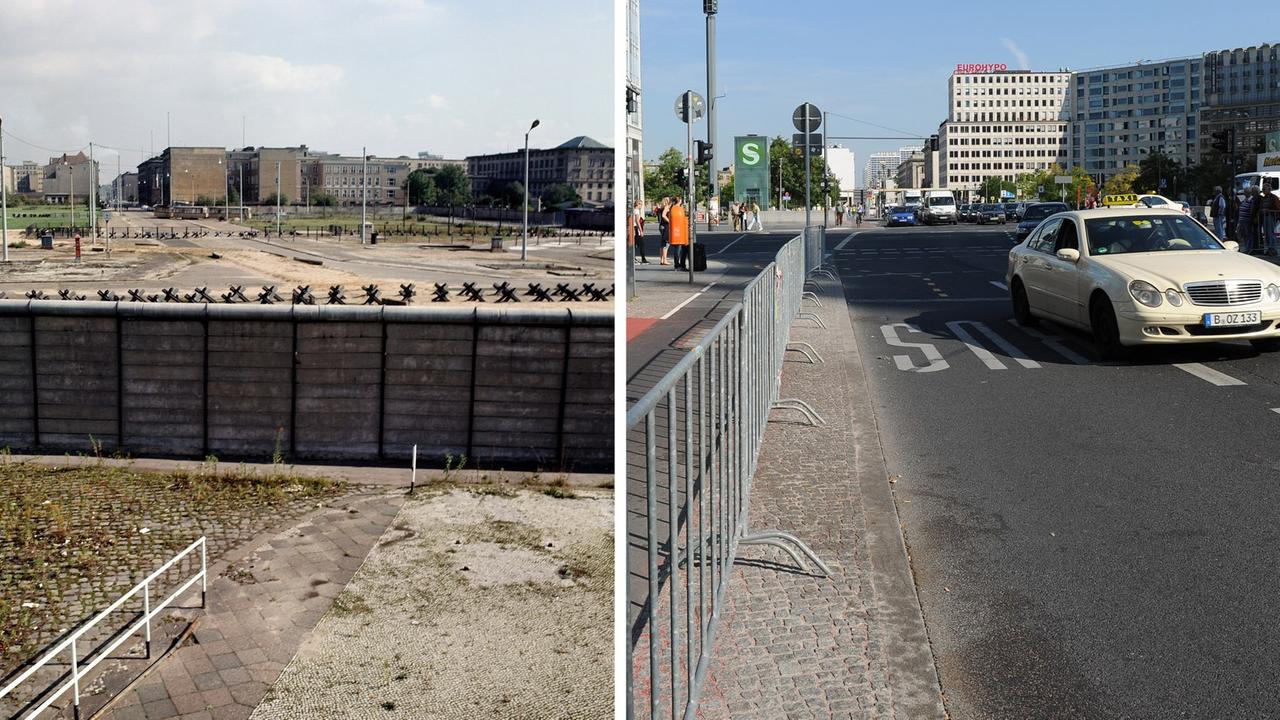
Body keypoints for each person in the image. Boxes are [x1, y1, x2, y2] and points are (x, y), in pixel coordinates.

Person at [668, 196, 689, 270]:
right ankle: (678, 265)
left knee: (680, 249)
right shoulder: (678, 209)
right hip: (680, 233)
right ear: (679, 201)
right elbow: (684, 218)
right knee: (679, 250)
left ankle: (680, 265)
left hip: (677, 232)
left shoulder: (673, 208)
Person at [1238, 186, 1259, 253]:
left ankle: (1248, 248)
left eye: (1245, 192)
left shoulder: (1251, 200)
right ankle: (1246, 247)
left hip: (1247, 220)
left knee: (1248, 234)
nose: (1244, 193)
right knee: (1244, 234)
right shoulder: (1244, 200)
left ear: (1249, 193)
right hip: (1242, 220)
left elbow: (1252, 210)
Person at [657, 197, 671, 265]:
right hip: (665, 226)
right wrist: (669, 221)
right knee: (666, 243)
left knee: (662, 243)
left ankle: (662, 260)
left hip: (661, 226)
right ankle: (665, 260)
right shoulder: (666, 207)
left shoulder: (661, 207)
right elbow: (663, 216)